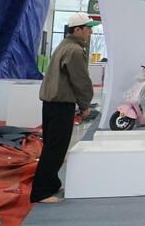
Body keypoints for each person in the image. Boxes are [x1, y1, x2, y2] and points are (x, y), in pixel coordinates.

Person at [30, 12, 99, 204]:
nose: (90, 32)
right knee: (56, 149)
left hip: (51, 103)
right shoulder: (75, 50)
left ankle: (51, 183)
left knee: (52, 146)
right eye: (88, 28)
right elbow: (81, 81)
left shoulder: (64, 45)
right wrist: (85, 105)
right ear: (77, 30)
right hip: (61, 105)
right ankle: (41, 192)